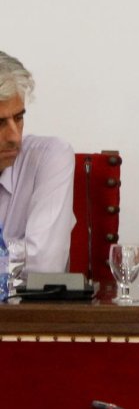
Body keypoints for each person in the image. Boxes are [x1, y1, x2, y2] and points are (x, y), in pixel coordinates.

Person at [0, 51, 74, 278]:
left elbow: (45, 265)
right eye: (0, 123)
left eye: (19, 118)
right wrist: (20, 251)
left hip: (25, 313)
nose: (14, 137)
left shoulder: (51, 157)